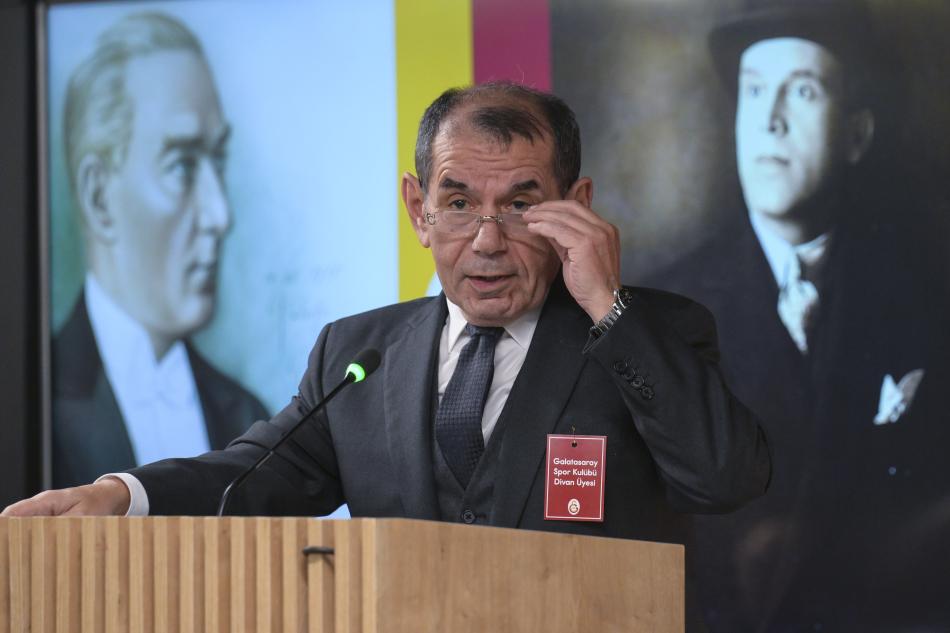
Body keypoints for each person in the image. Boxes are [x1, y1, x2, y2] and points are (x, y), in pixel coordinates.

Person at [9, 84, 769, 565]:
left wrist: (609, 306)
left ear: (577, 205)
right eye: (459, 202)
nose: (487, 240)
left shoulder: (652, 331)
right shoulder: (357, 351)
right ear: (417, 208)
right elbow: (251, 478)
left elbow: (726, 477)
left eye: (521, 204)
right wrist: (124, 495)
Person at [645, 0, 950, 629]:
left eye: (803, 91)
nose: (771, 120)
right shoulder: (661, 310)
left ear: (856, 135)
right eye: (755, 92)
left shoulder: (924, 295)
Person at [52, 13, 267, 488]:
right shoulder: (36, 398)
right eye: (182, 166)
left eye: (218, 160)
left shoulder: (248, 416)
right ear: (98, 197)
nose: (220, 215)